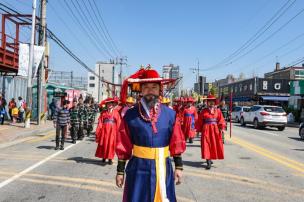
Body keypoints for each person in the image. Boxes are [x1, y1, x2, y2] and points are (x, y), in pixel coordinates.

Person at [116, 66, 186, 202]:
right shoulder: (130, 115)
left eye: (154, 87)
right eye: (146, 87)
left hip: (163, 168)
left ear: (160, 90)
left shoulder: (170, 115)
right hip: (138, 169)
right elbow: (123, 145)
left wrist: (178, 166)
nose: (150, 91)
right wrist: (120, 171)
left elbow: (176, 141)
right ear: (141, 90)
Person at [197, 94, 226, 170]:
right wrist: (199, 130)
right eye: (209, 101)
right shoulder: (204, 111)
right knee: (206, 144)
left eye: (212, 101)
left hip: (215, 130)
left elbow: (221, 120)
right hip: (206, 129)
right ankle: (208, 161)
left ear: (214, 102)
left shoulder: (218, 111)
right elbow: (199, 121)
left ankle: (211, 157)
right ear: (207, 102)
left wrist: (222, 128)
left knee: (213, 144)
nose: (211, 103)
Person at [95, 97, 121, 165]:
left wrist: (119, 132)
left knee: (111, 144)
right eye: (108, 104)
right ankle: (104, 157)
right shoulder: (103, 113)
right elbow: (100, 122)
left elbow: (118, 122)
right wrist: (98, 129)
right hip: (104, 130)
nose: (109, 105)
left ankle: (110, 158)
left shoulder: (116, 113)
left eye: (111, 104)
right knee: (104, 143)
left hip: (113, 131)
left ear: (113, 104)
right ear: (106, 105)